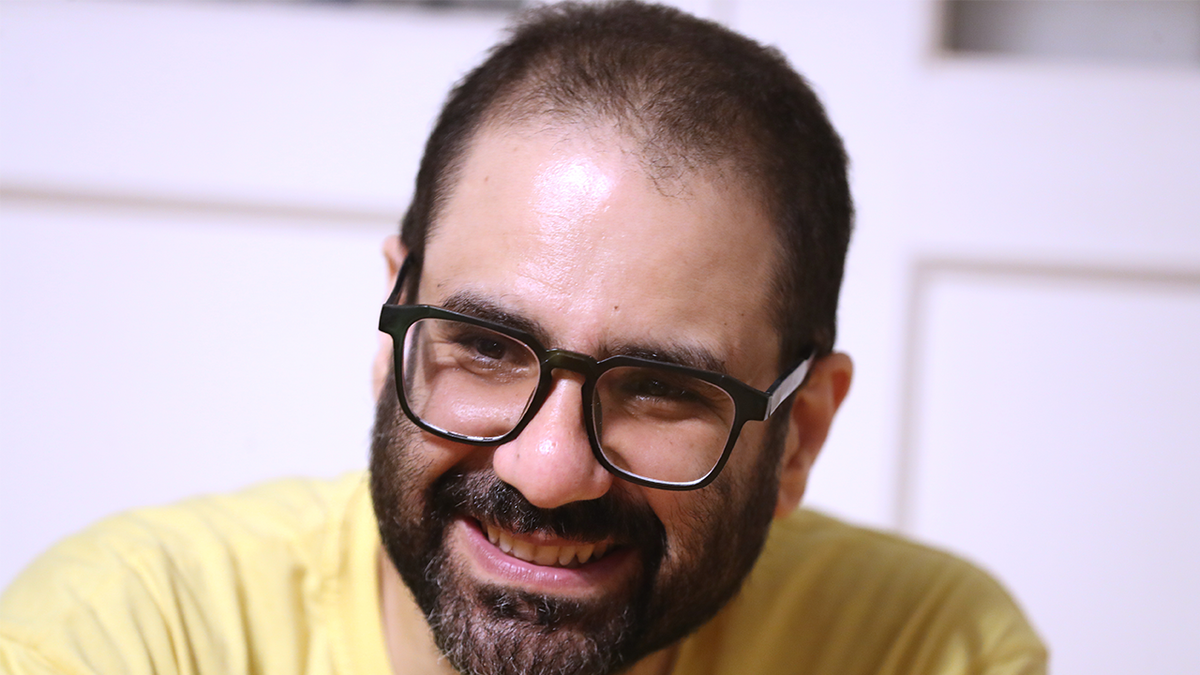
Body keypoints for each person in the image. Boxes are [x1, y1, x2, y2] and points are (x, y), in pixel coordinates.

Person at [0, 2, 1046, 674]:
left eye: (659, 388)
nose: (547, 471)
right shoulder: (133, 636)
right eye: (487, 347)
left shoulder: (920, 647)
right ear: (394, 337)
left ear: (801, 432)